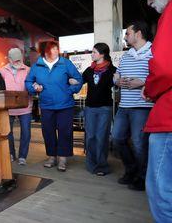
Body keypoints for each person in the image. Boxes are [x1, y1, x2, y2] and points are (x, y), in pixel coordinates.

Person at [142, 0, 172, 221]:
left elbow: (163, 68)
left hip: (169, 117)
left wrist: (149, 89)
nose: (149, 3)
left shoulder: (171, 13)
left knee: (162, 192)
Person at [25, 41, 82, 172]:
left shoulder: (65, 63)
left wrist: (70, 90)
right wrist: (34, 88)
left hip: (65, 105)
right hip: (46, 105)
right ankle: (51, 157)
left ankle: (62, 158)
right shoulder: (37, 66)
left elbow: (78, 79)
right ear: (45, 51)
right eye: (53, 49)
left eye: (57, 49)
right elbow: (28, 82)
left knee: (65, 132)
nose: (56, 51)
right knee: (48, 132)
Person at [112, 21, 153, 191]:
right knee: (117, 138)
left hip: (142, 106)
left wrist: (143, 83)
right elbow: (117, 75)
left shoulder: (154, 53)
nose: (125, 36)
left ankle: (143, 177)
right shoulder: (126, 55)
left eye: (127, 33)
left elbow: (161, 76)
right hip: (124, 105)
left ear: (138, 34)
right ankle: (131, 170)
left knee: (138, 143)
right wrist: (117, 80)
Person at [82, 43, 116, 176]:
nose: (92, 54)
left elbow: (118, 84)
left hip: (104, 108)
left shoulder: (112, 70)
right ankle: (91, 164)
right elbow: (79, 81)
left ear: (102, 54)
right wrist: (71, 81)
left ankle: (102, 165)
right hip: (90, 108)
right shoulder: (89, 70)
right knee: (90, 137)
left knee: (101, 137)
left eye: (94, 52)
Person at [0, 48, 32, 165]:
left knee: (26, 132)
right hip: (8, 107)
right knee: (8, 132)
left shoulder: (28, 70)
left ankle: (23, 156)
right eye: (15, 61)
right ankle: (11, 153)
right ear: (9, 60)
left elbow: (32, 84)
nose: (18, 62)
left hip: (25, 107)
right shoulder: (2, 71)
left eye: (19, 60)